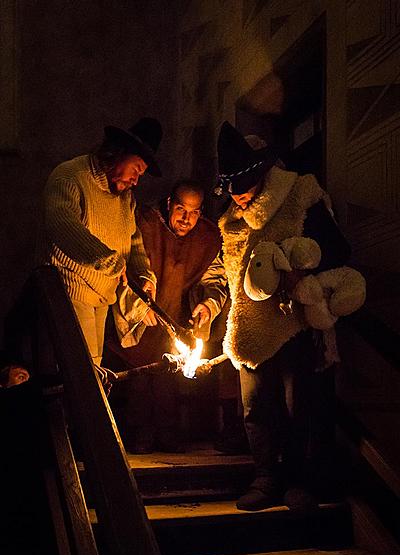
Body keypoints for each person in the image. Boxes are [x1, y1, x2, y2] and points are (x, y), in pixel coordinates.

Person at [216, 121, 354, 512]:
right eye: (233, 194)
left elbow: (337, 249)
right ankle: (266, 476)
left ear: (261, 177)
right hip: (249, 324)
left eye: (244, 192)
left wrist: (299, 265)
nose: (239, 200)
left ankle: (303, 479)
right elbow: (228, 266)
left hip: (293, 322)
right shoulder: (230, 218)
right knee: (256, 406)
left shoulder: (298, 196)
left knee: (301, 406)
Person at [107, 179, 227, 453]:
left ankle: (168, 432)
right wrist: (139, 305)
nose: (187, 219)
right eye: (182, 209)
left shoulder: (207, 237)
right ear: (170, 204)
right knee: (139, 376)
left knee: (167, 376)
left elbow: (215, 279)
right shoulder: (145, 224)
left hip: (175, 320)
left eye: (195, 212)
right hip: (139, 317)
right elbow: (126, 265)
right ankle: (139, 434)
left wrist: (208, 304)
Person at [42, 117, 162, 367]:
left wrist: (144, 276)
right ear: (118, 153)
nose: (136, 180)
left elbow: (133, 240)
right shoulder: (71, 177)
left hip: (102, 295)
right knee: (81, 371)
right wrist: (109, 261)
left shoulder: (125, 197)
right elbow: (62, 226)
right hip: (72, 289)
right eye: (137, 169)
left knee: (93, 368)